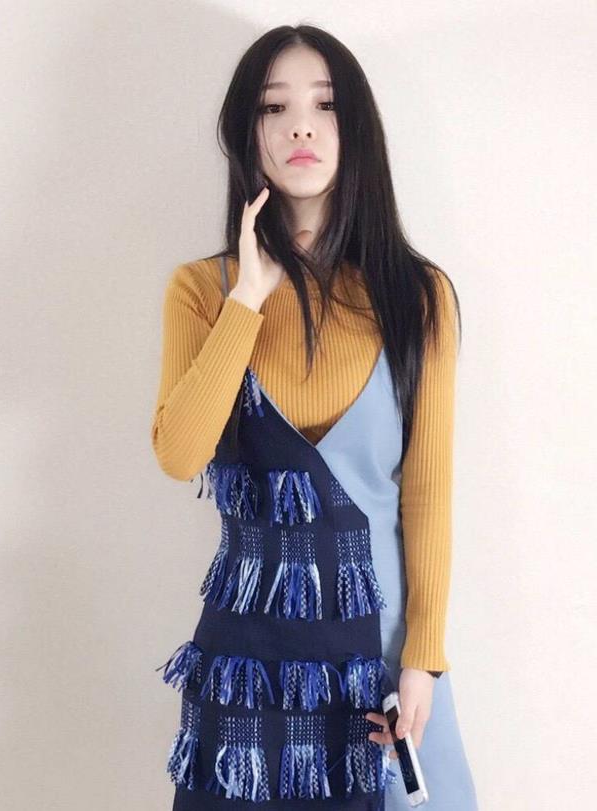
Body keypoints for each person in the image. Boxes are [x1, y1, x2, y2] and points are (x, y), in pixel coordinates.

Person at [151, 24, 478, 810]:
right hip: (250, 663)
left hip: (382, 658)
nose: (301, 126)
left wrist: (423, 658)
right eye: (276, 107)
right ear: (248, 132)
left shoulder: (418, 296)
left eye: (325, 105)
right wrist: (247, 300)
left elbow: (426, 494)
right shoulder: (202, 291)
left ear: (355, 126)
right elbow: (180, 453)